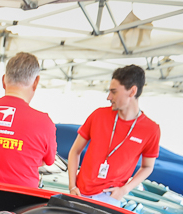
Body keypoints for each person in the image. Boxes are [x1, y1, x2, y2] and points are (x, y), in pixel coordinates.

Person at [67, 65, 160, 206]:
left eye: (114, 92)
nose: (108, 97)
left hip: (109, 198)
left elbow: (148, 167)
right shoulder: (98, 115)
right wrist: (72, 186)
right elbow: (75, 151)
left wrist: (125, 189)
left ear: (132, 91)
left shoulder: (151, 129)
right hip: (80, 193)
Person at [0, 52, 56, 188]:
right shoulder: (44, 123)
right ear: (36, 82)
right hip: (21, 204)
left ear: (3, 80)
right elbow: (48, 161)